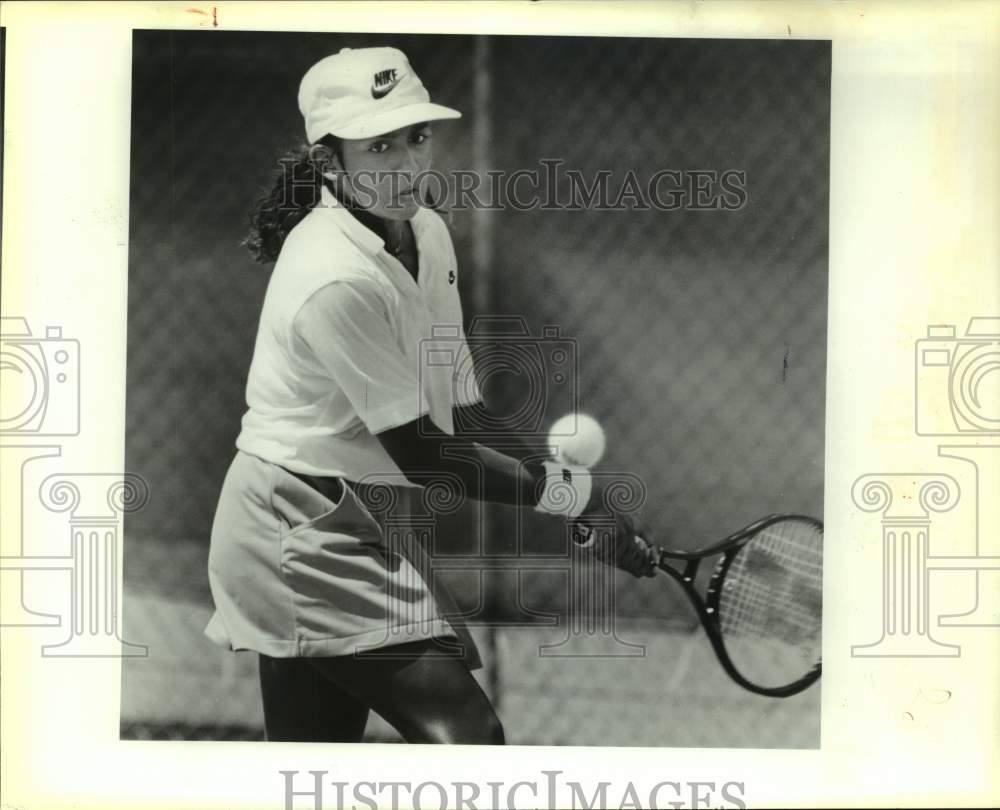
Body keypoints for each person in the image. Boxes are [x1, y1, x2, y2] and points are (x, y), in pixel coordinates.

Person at [204, 46, 657, 745]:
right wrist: (572, 498)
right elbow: (427, 456)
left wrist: (571, 496)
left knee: (310, 765)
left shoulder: (426, 231)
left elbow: (462, 410)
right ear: (331, 164)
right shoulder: (335, 278)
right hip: (292, 523)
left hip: (362, 512)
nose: (408, 165)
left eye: (416, 137)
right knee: (470, 740)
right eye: (379, 146)